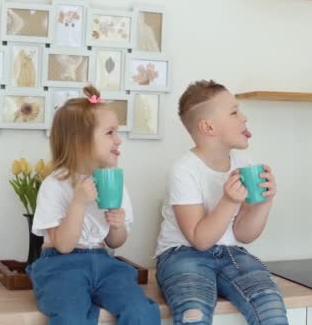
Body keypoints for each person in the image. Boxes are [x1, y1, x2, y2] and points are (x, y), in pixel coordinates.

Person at [154, 80, 288, 325]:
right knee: (193, 314)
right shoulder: (183, 170)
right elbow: (200, 240)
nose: (244, 118)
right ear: (208, 127)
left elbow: (244, 235)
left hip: (232, 254)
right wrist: (228, 201)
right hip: (183, 255)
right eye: (234, 112)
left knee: (271, 306)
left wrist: (264, 202)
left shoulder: (244, 165)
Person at [27, 85, 161, 325]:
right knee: (70, 315)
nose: (118, 139)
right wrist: (78, 202)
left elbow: (114, 242)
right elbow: (64, 246)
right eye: (110, 132)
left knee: (141, 309)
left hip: (103, 261)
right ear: (80, 141)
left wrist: (118, 225)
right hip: (61, 265)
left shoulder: (113, 181)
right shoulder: (55, 184)